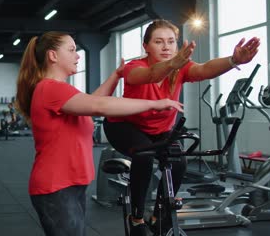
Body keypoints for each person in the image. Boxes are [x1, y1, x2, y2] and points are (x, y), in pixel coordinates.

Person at [15, 31, 188, 236]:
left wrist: (117, 75)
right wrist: (155, 104)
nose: (77, 56)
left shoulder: (61, 91)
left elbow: (92, 101)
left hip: (69, 184)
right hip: (56, 186)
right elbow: (100, 106)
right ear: (52, 56)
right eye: (71, 50)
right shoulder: (51, 88)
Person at [103, 19, 260, 236]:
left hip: (160, 129)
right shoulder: (134, 67)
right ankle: (136, 217)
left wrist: (233, 60)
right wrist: (173, 63)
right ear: (145, 46)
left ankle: (160, 213)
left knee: (178, 162)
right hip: (124, 125)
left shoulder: (181, 68)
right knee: (144, 156)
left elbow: (204, 69)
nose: (166, 47)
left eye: (171, 41)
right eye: (159, 42)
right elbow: (151, 75)